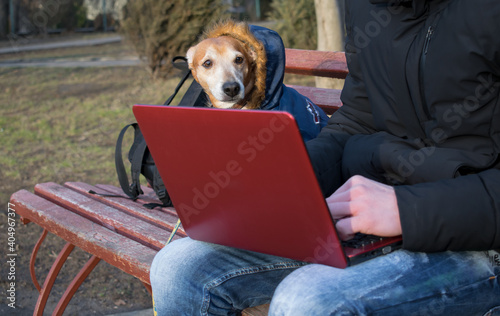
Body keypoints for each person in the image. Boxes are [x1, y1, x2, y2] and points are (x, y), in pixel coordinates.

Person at [150, 0, 500, 314]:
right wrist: (289, 178)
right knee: (179, 269)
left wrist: (409, 211)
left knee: (306, 301)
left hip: (476, 235)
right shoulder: (368, 7)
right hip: (364, 221)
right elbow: (359, 117)